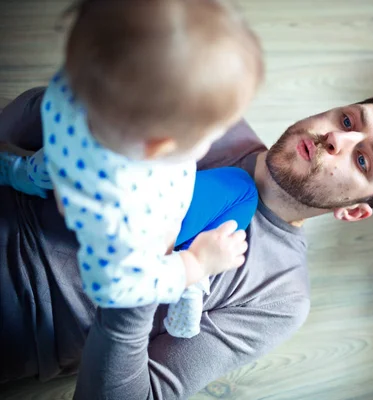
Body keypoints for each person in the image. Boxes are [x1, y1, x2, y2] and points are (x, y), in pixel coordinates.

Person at [0, 88, 373, 398]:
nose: (337, 138)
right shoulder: (213, 113)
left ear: (353, 210)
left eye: (362, 159)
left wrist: (146, 277)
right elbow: (43, 108)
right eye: (347, 120)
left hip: (21, 314)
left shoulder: (280, 297)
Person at [0, 0, 264, 340]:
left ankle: (17, 172)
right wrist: (194, 265)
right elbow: (117, 288)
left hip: (67, 158)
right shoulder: (128, 213)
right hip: (137, 225)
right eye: (214, 132)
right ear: (158, 147)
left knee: (45, 168)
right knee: (242, 193)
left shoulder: (76, 88)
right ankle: (194, 284)